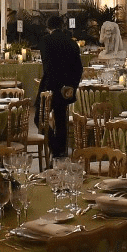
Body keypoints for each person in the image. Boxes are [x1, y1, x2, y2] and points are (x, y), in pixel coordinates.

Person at [38, 14, 82, 158]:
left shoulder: (45, 41)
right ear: (62, 26)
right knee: (61, 118)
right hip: (66, 87)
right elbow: (78, 69)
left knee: (39, 117)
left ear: (48, 27)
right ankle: (61, 150)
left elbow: (47, 66)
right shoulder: (71, 43)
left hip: (50, 84)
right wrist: (72, 85)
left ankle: (54, 145)